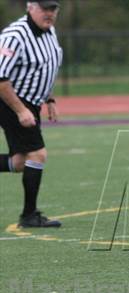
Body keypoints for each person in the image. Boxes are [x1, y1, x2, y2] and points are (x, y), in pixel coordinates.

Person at [0, 0, 62, 227]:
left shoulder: (49, 31)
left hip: (30, 102)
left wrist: (50, 98)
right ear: (30, 7)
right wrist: (20, 110)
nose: (49, 13)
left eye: (53, 9)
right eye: (44, 8)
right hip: (9, 100)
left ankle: (29, 214)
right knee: (37, 155)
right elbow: (1, 79)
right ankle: (29, 215)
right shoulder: (15, 35)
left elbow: (48, 66)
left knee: (19, 162)